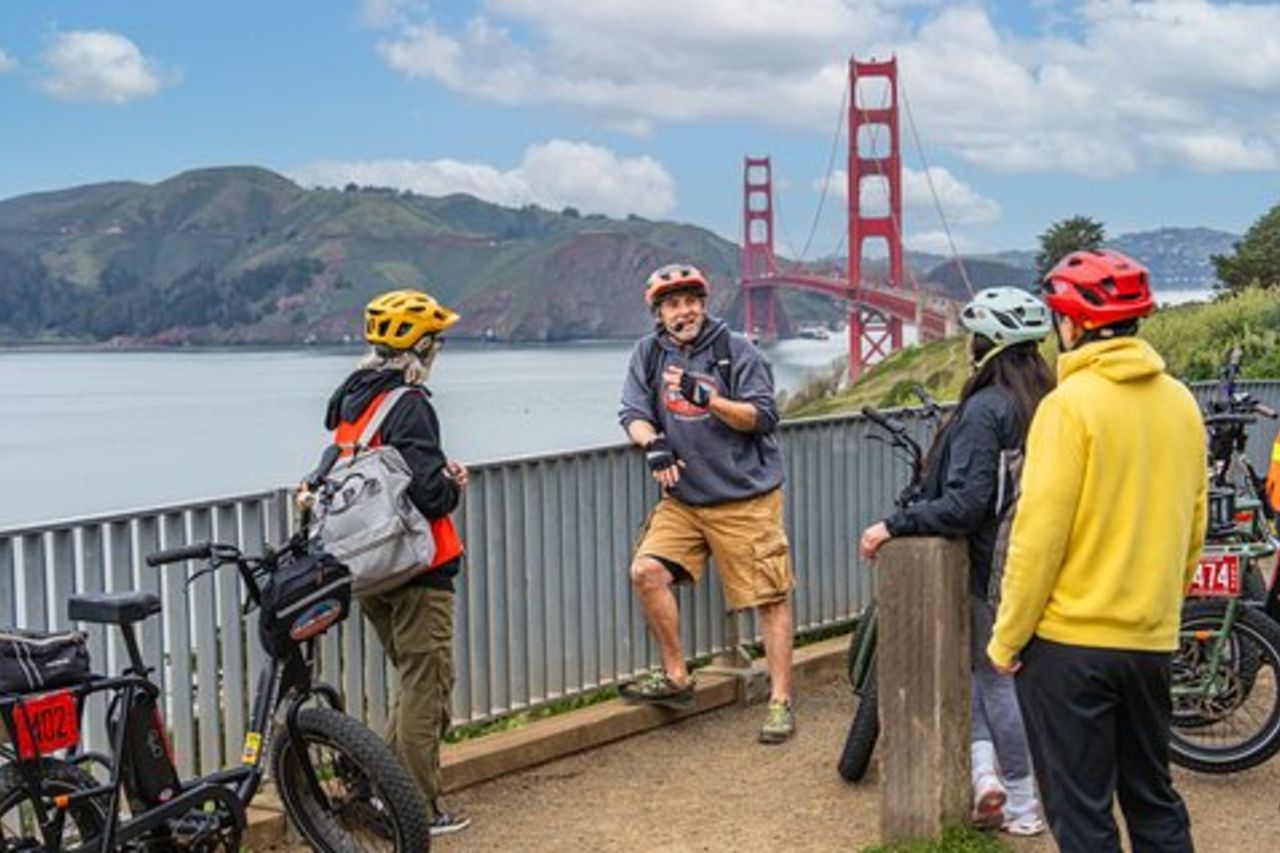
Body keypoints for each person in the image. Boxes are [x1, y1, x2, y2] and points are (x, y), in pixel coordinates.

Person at [988, 250, 1207, 852]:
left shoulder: (1068, 405)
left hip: (1070, 646)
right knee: (1153, 797)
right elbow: (1193, 528)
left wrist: (1008, 640)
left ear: (1073, 325)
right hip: (1150, 643)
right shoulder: (1181, 403)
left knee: (1082, 814)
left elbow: (1038, 539)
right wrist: (1161, 609)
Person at [859, 287, 1054, 836]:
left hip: (994, 564)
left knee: (993, 677)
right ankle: (985, 776)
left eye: (974, 336)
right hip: (1040, 559)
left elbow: (967, 504)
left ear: (987, 343)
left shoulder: (986, 409)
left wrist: (892, 525)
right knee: (984, 672)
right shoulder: (1048, 401)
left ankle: (1020, 803)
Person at [617, 263, 797, 744]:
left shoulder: (734, 349)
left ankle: (780, 701)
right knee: (646, 572)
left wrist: (709, 399)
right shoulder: (647, 353)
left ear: (704, 303)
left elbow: (762, 417)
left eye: (692, 300)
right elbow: (632, 412)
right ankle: (677, 677)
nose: (685, 311)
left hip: (745, 499)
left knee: (770, 598)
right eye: (673, 304)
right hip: (684, 500)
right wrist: (652, 443)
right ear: (658, 313)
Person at [324, 288, 471, 836]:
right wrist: (452, 484)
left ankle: (371, 788)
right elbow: (430, 496)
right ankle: (417, 811)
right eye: (438, 340)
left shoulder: (353, 401)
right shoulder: (410, 404)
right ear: (424, 345)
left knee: (418, 681)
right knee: (426, 686)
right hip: (418, 568)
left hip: (369, 566)